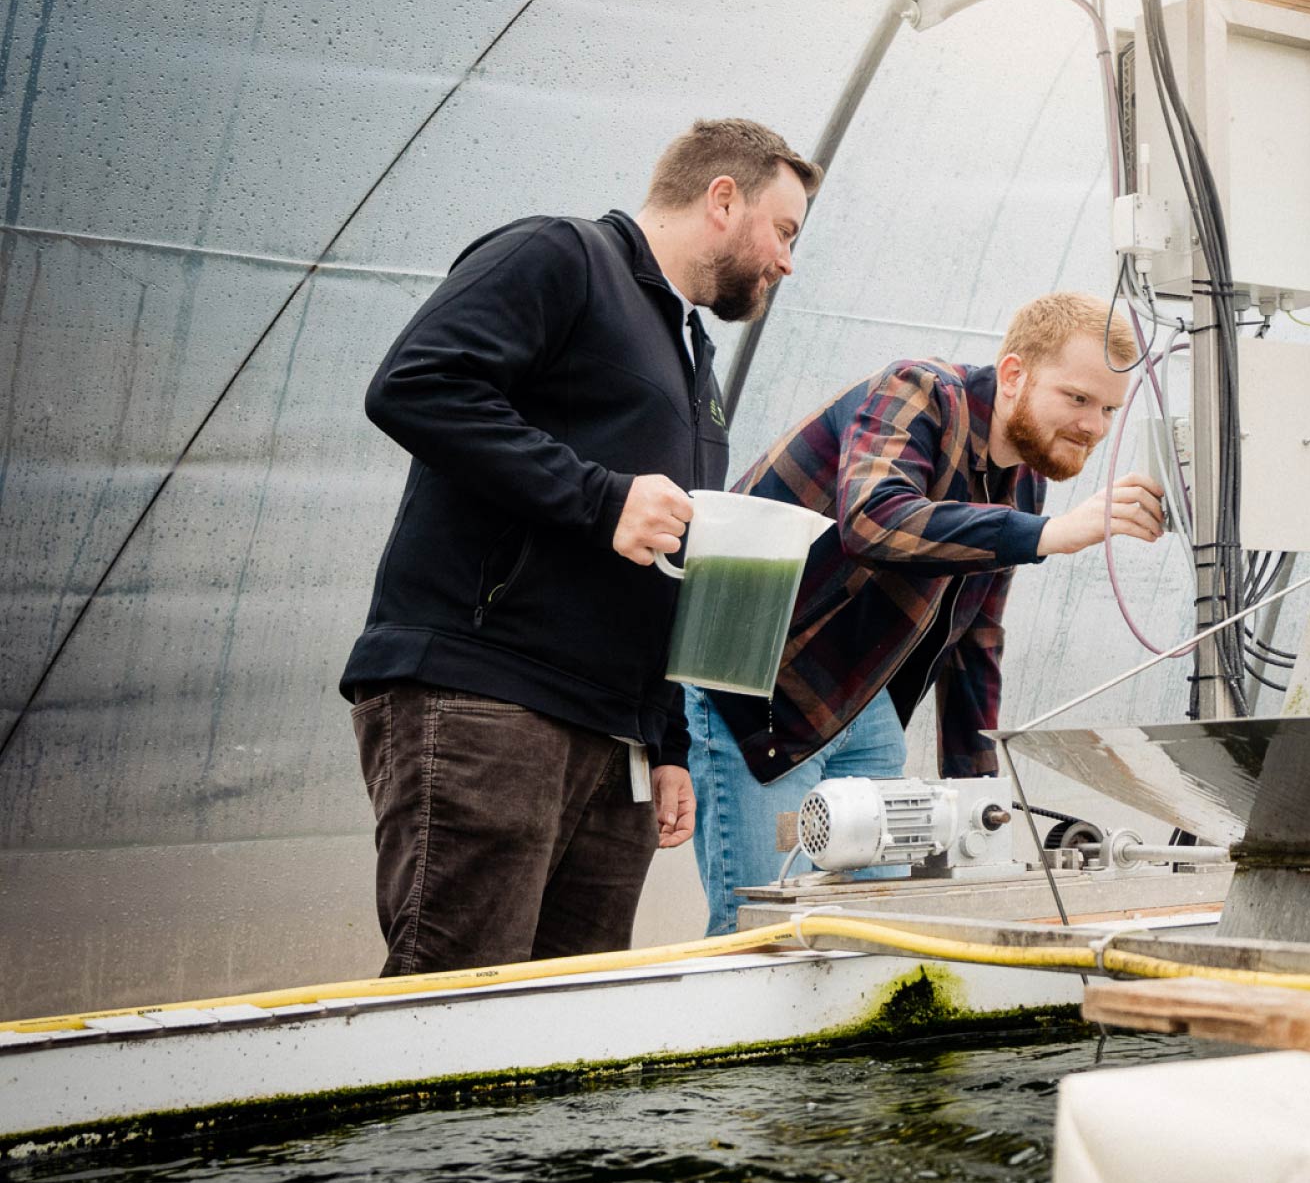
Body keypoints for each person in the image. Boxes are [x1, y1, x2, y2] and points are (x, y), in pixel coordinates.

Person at [340, 118, 821, 976]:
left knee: (574, 1023)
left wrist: (666, 743)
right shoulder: (562, 256)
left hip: (616, 742)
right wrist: (602, 499)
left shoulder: (693, 357)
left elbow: (672, 564)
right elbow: (415, 385)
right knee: (456, 998)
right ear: (722, 199)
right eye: (784, 230)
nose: (788, 260)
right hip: (489, 697)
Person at [689, 292, 1166, 934]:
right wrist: (1049, 534)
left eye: (1109, 408)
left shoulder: (1023, 480)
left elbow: (976, 638)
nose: (1094, 425)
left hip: (861, 701)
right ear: (1015, 374)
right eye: (1077, 399)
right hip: (756, 687)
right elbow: (872, 518)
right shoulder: (918, 391)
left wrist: (979, 795)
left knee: (875, 933)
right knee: (764, 934)